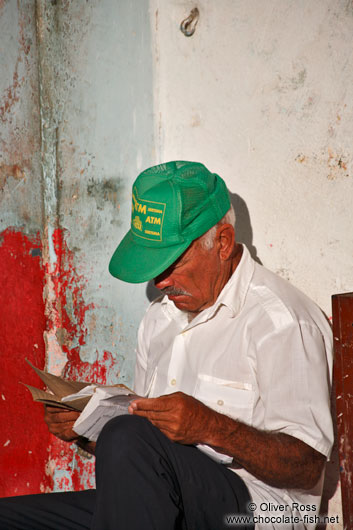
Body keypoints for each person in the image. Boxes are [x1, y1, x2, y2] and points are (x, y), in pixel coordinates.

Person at [0, 161, 333, 530]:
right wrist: (83, 431)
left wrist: (211, 427)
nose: (160, 282)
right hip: (163, 499)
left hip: (257, 512)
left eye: (171, 262)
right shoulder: (159, 319)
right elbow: (142, 459)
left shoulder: (281, 322)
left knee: (129, 435)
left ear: (222, 243)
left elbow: (308, 467)